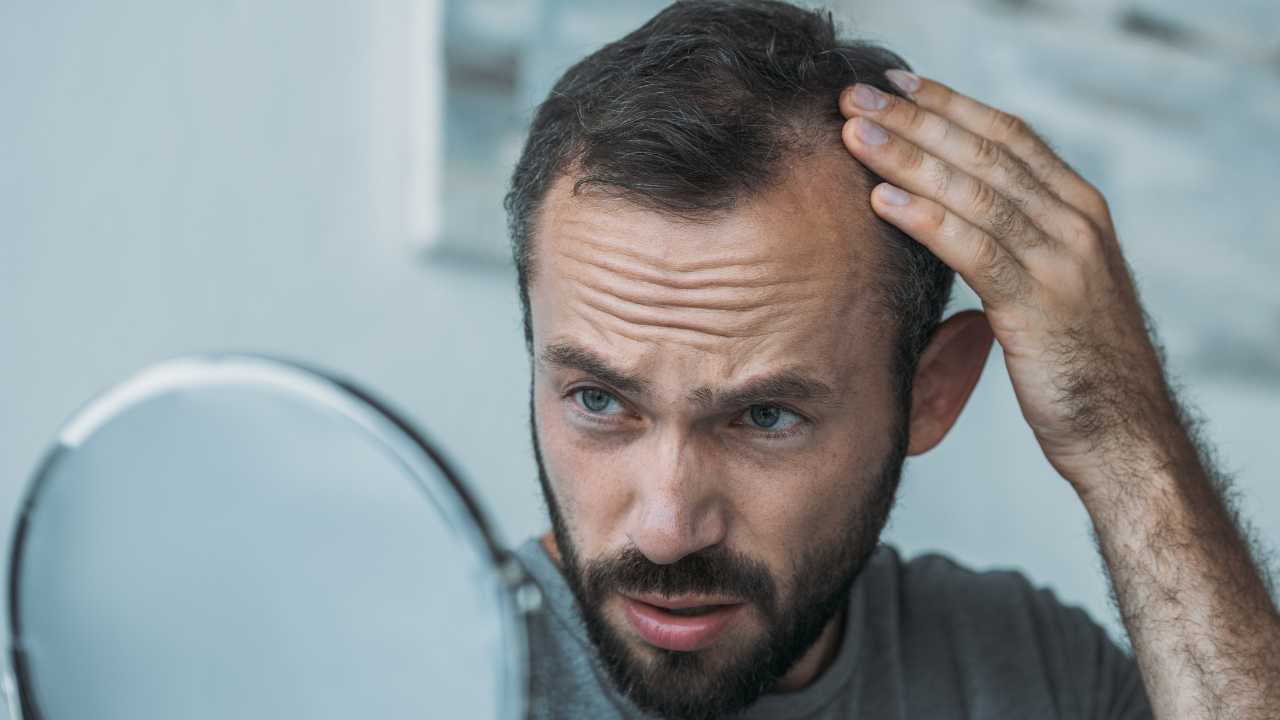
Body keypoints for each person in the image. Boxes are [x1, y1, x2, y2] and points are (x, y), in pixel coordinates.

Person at [501, 1, 1280, 718]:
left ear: (931, 392)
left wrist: (1124, 436)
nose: (668, 530)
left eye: (765, 417)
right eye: (598, 400)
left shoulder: (1031, 673)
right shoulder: (423, 669)